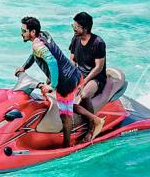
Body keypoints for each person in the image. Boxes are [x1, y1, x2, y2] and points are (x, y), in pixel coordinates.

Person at [15, 16, 102, 148]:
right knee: (66, 105)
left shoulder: (38, 45)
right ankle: (93, 120)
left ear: (33, 32)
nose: (21, 34)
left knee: (65, 116)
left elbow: (51, 61)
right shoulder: (44, 34)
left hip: (65, 83)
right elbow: (35, 54)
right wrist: (24, 67)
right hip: (74, 74)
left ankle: (68, 144)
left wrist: (52, 86)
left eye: (23, 31)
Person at [68, 11, 107, 141]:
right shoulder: (75, 39)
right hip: (80, 75)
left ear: (85, 29)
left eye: (76, 26)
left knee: (84, 95)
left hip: (95, 78)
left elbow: (99, 67)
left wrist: (83, 82)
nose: (74, 28)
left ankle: (92, 125)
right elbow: (72, 60)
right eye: (73, 25)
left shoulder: (98, 43)